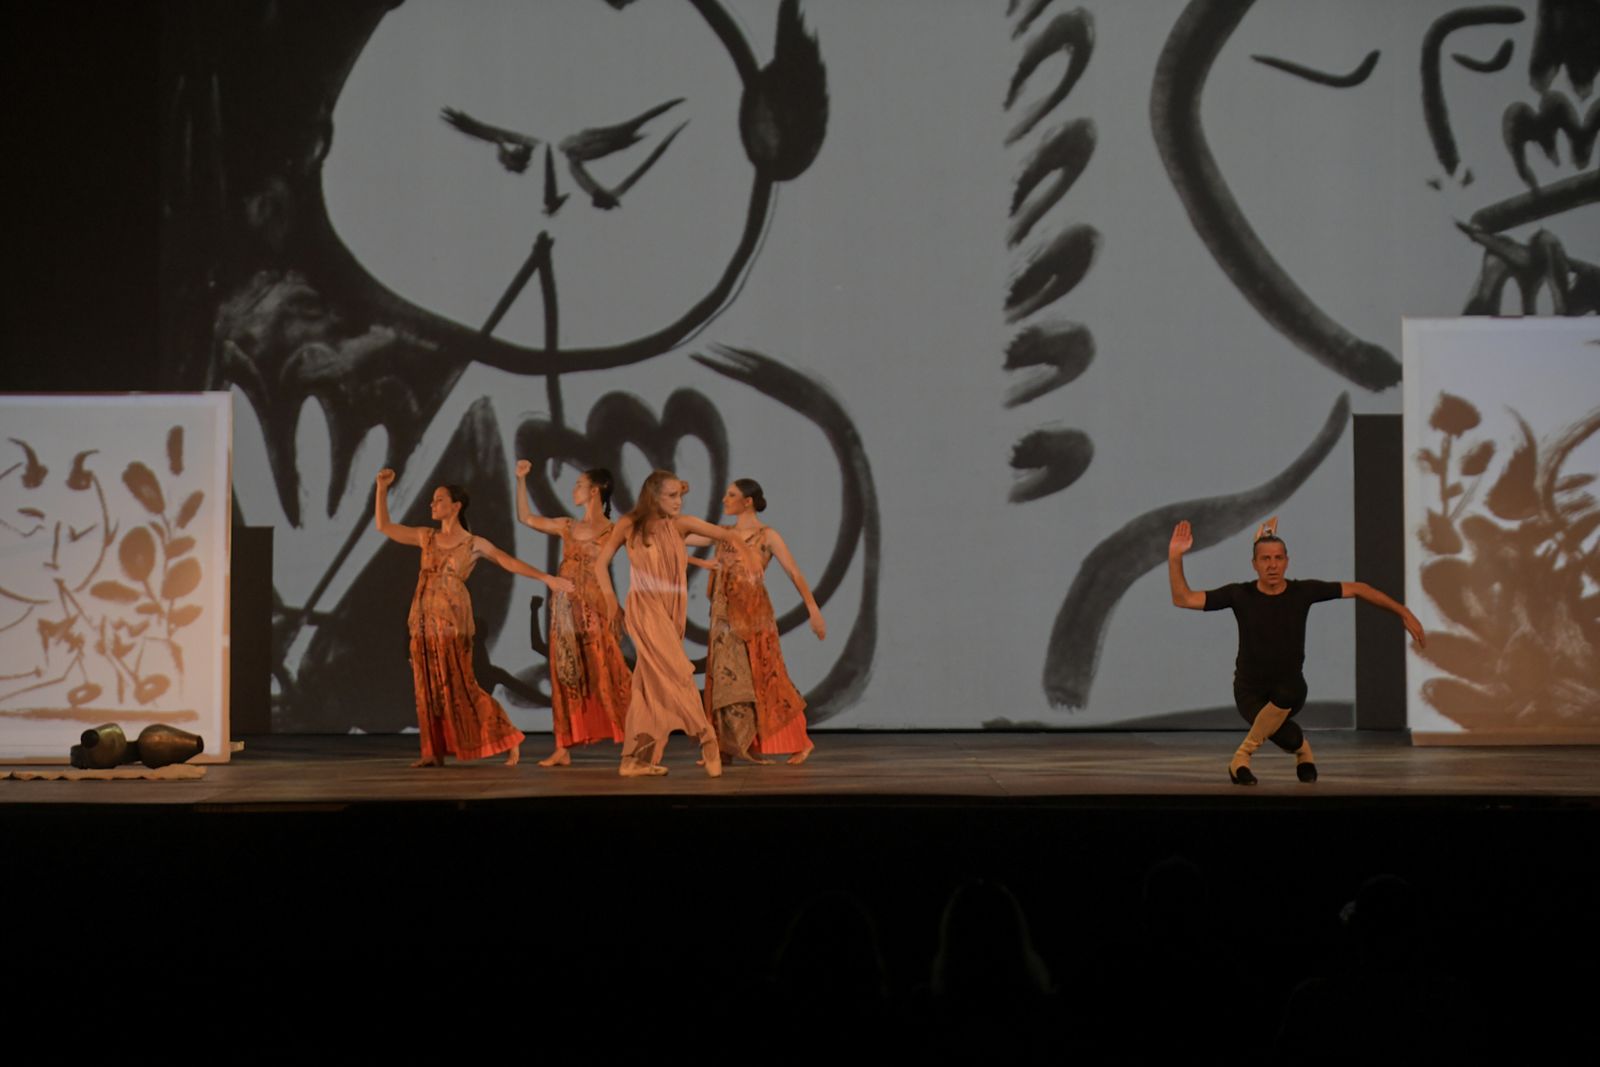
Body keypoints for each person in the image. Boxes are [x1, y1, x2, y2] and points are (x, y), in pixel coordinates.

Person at [1168, 517, 1426, 784]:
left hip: (1290, 689)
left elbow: (1359, 589)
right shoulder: (1239, 595)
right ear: (1254, 564)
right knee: (1288, 737)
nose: (1272, 565)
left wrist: (1403, 612)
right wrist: (1175, 556)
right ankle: (1304, 753)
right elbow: (1183, 598)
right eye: (1265, 559)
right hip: (1250, 692)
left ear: (1287, 561)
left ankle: (1240, 758)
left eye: (1278, 558)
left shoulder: (1303, 591)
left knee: (1287, 692)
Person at [374, 467, 572, 768]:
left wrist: (546, 578)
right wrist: (381, 488)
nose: (432, 504)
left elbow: (508, 562)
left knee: (459, 685)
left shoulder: (473, 543)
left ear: (456, 506)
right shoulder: (426, 537)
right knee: (426, 687)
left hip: (452, 622)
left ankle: (506, 736)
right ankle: (431, 751)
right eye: (432, 499)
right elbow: (384, 526)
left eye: (439, 499)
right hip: (424, 620)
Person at [592, 469, 764, 778]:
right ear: (653, 495)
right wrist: (609, 601)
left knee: (647, 687)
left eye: (680, 496)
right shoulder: (629, 525)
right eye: (671, 496)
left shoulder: (680, 526)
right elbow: (600, 562)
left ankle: (635, 760)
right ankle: (706, 737)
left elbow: (726, 534)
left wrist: (749, 555)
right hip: (644, 608)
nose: (678, 502)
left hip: (672, 611)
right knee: (679, 672)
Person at [685, 479, 825, 765]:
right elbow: (677, 536)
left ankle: (800, 741)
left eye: (731, 495)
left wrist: (813, 610)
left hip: (754, 615)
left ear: (747, 501)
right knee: (724, 678)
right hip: (723, 616)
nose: (724, 499)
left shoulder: (767, 535)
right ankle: (727, 746)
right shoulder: (722, 532)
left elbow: (794, 573)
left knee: (766, 677)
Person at [514, 460, 632, 767]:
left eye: (579, 484)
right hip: (566, 610)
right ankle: (563, 746)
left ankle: (630, 737)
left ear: (595, 491)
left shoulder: (613, 529)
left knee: (608, 671)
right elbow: (526, 517)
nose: (574, 489)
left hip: (596, 607)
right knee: (564, 672)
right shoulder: (568, 526)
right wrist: (522, 479)